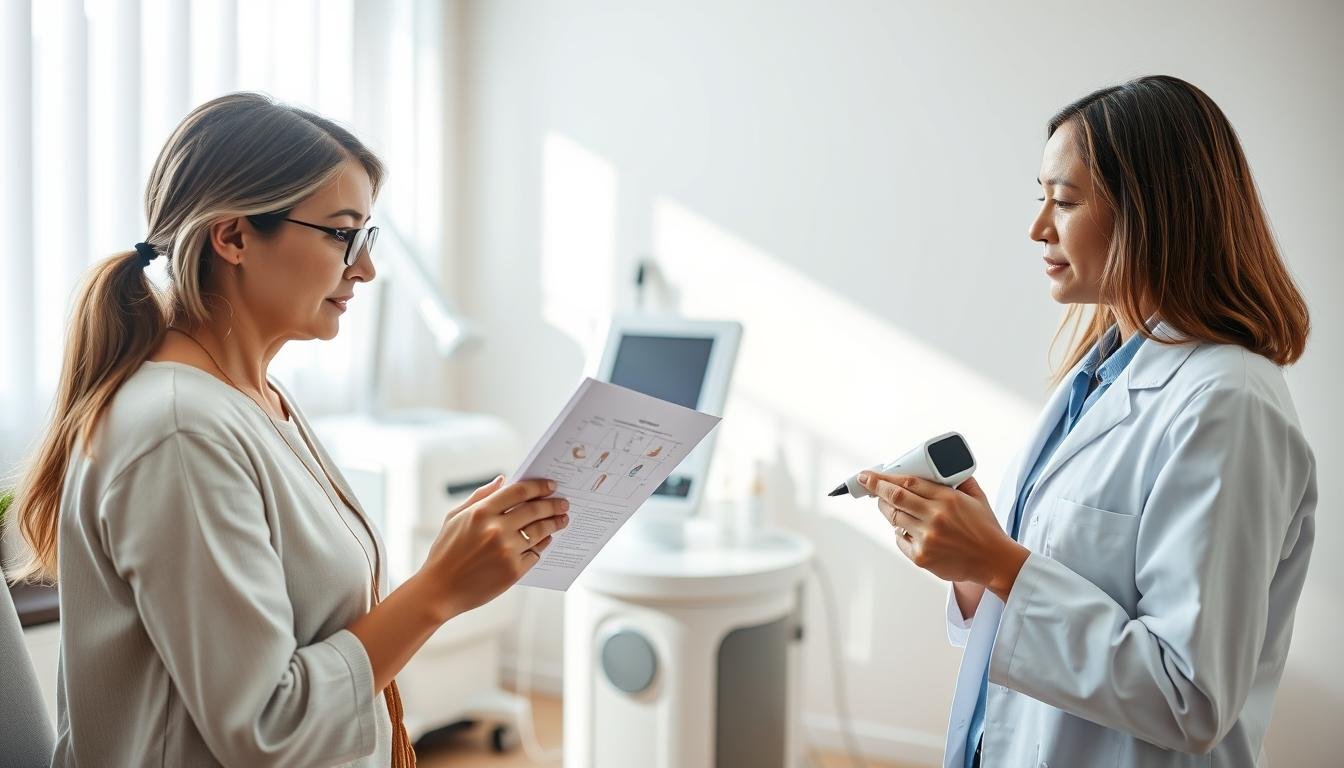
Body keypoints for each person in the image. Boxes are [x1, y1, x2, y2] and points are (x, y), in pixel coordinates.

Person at [7, 93, 570, 767]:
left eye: (367, 237)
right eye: (341, 233)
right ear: (235, 236)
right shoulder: (180, 432)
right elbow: (265, 729)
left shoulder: (258, 398)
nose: (364, 268)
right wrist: (439, 589)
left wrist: (455, 566)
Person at [858, 75, 1316, 767]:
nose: (1038, 227)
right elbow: (1065, 592)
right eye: (1040, 198)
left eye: (1064, 201)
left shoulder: (1229, 404)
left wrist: (1000, 562)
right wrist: (973, 568)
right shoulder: (1095, 378)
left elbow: (1188, 698)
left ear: (1152, 213)